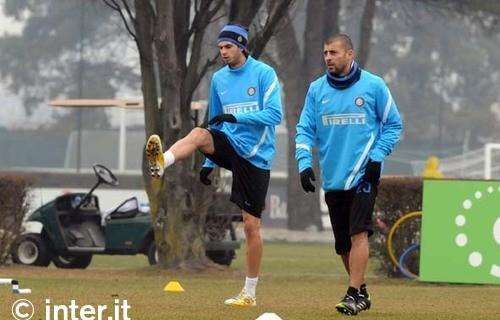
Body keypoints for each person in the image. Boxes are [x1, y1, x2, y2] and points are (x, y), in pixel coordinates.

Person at [145, 23, 283, 307]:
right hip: (228, 146)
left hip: (255, 157)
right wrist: (209, 162)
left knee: (251, 226)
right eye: (220, 47)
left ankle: (249, 293)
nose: (223, 52)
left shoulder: (264, 74)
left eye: (228, 47)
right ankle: (163, 161)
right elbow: (214, 123)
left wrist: (237, 119)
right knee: (198, 133)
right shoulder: (219, 79)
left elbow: (274, 114)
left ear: (242, 46)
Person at [295, 33, 403, 316]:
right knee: (343, 244)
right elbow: (305, 130)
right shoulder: (316, 90)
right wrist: (305, 163)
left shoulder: (374, 86)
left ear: (350, 54)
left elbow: (394, 124)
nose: (328, 57)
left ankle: (352, 293)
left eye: (333, 52)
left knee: (358, 234)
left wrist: (376, 158)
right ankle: (362, 291)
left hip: (363, 177)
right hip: (333, 178)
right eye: (325, 53)